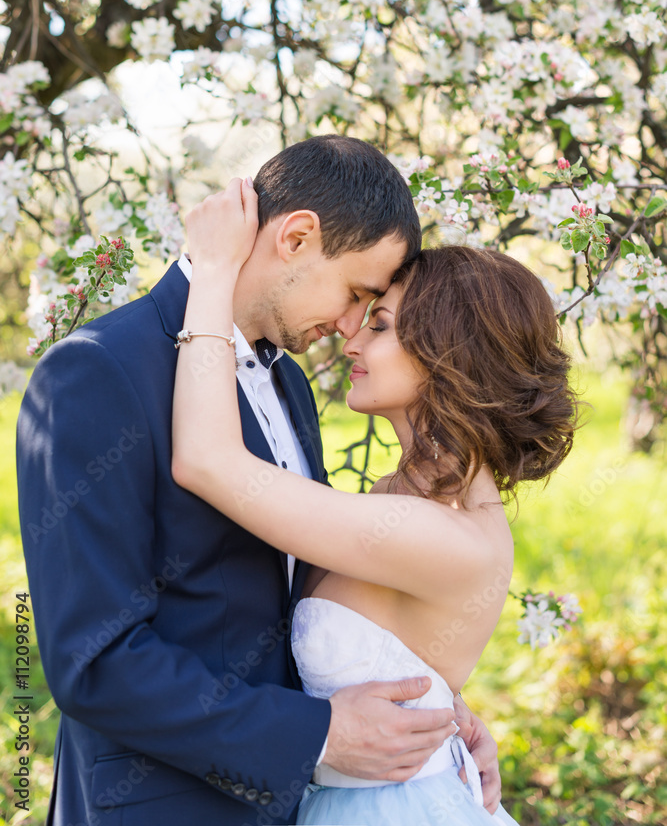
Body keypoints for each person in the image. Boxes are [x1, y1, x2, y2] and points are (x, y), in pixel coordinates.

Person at [17, 135, 501, 826]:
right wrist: (317, 734)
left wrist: (434, 717)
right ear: (298, 237)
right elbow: (92, 660)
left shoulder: (289, 384)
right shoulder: (98, 370)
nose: (346, 327)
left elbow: (304, 594)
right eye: (356, 294)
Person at [171, 176, 580, 825]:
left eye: (381, 323)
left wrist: (211, 271)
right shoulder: (399, 496)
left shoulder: (436, 531)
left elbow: (207, 461)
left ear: (448, 353)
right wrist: (449, 719)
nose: (351, 339)